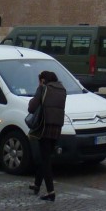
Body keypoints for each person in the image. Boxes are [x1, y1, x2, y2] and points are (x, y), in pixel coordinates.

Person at [27, 69, 66, 201]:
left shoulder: (43, 89)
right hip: (57, 127)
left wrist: (39, 89)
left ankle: (50, 191)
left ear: (43, 80)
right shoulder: (62, 90)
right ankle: (37, 185)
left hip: (44, 127)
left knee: (45, 160)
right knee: (46, 156)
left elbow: (31, 108)